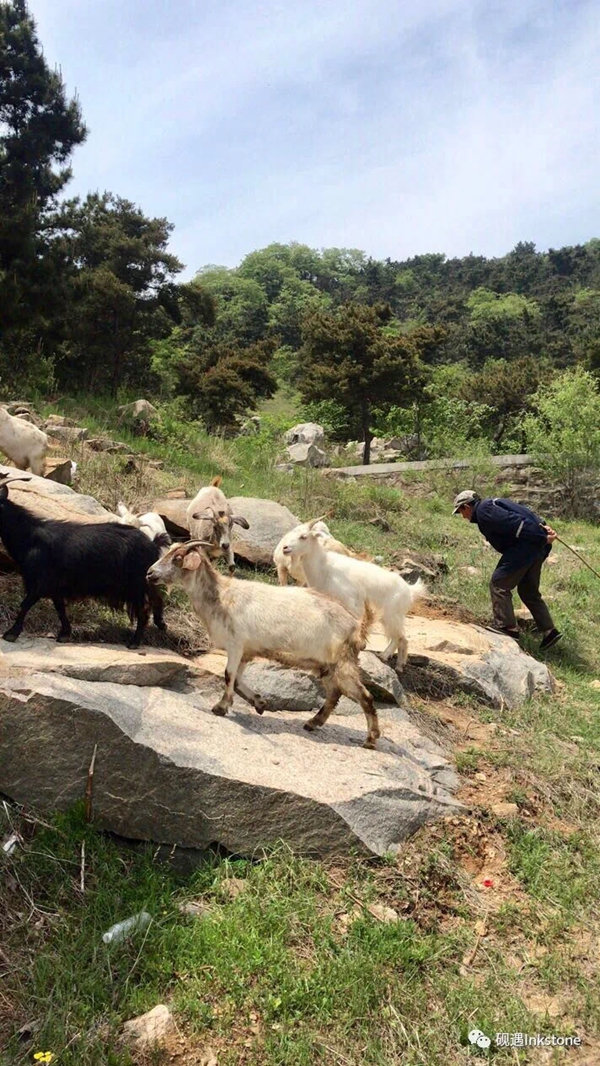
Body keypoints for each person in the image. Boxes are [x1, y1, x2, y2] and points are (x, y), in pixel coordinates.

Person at [452, 490, 562, 649]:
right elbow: (526, 514)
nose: (463, 516)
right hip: (536, 548)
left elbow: (517, 524)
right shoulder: (494, 503)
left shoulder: (484, 510)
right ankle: (549, 631)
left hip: (525, 547)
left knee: (499, 584)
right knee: (528, 591)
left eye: (461, 511)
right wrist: (543, 529)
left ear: (467, 506)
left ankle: (507, 628)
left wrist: (541, 537)